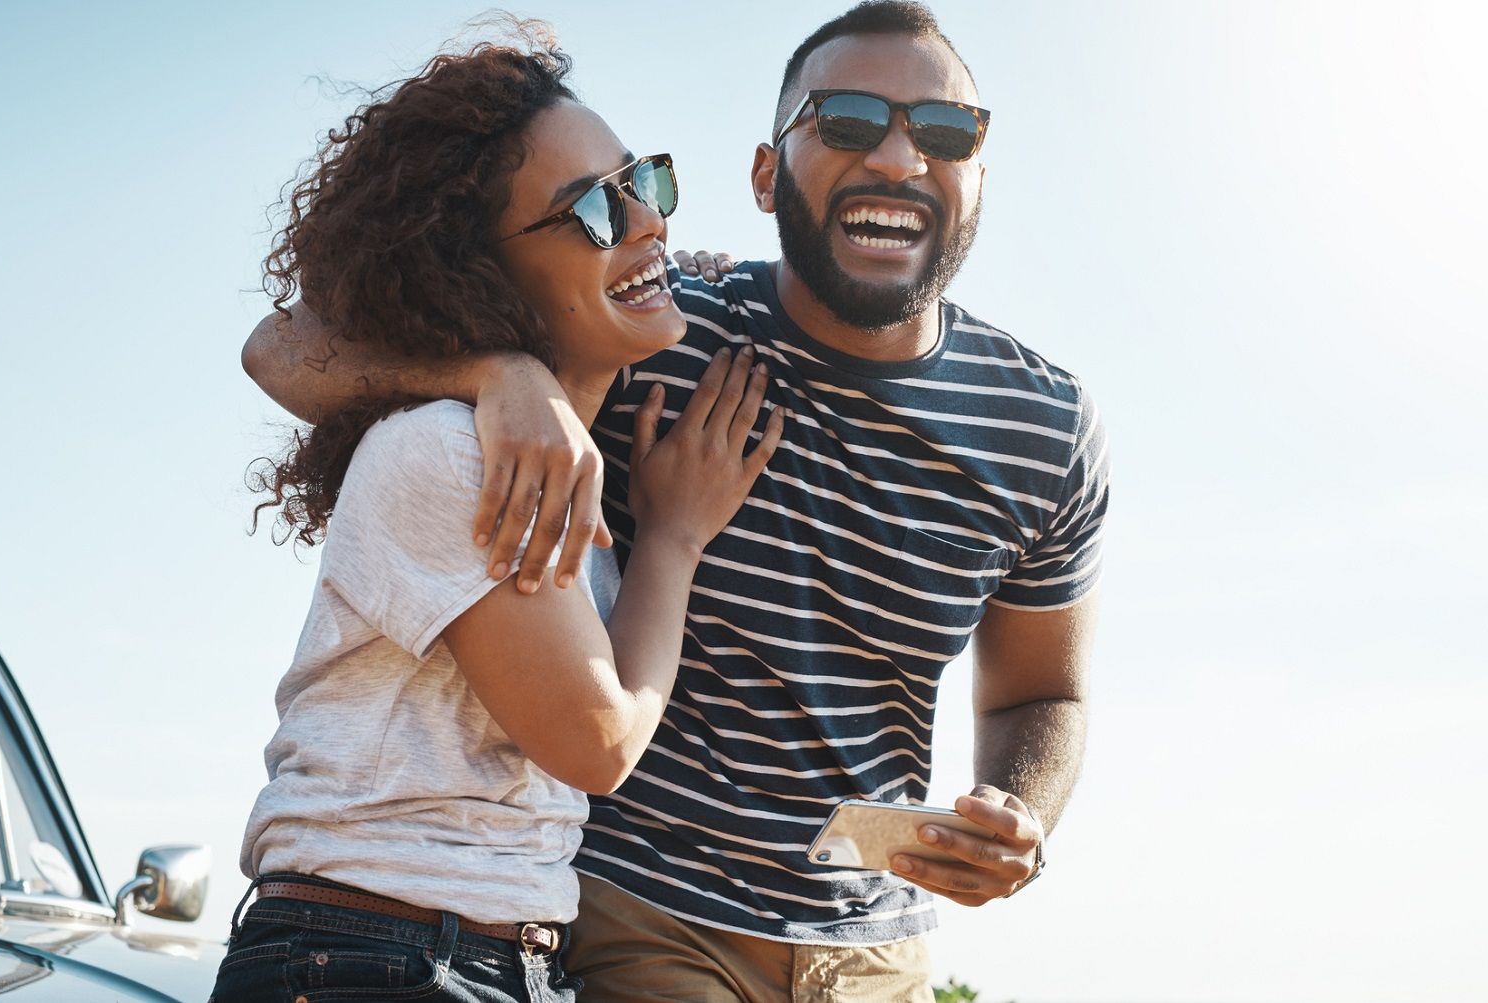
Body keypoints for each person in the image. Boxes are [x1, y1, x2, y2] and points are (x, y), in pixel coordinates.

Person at [243, 3, 1109, 1000]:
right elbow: (287, 349)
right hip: (630, 916)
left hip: (877, 946)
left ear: (981, 176)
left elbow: (1044, 693)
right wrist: (500, 374)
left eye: (948, 133)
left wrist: (1022, 815)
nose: (901, 159)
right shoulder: (645, 329)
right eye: (849, 122)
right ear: (764, 173)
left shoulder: (1045, 427)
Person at [214, 26, 784, 1003]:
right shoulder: (448, 450)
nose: (646, 222)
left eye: (643, 183)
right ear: (484, 274)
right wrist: (677, 539)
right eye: (596, 210)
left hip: (450, 959)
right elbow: (597, 743)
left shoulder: (537, 455)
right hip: (377, 955)